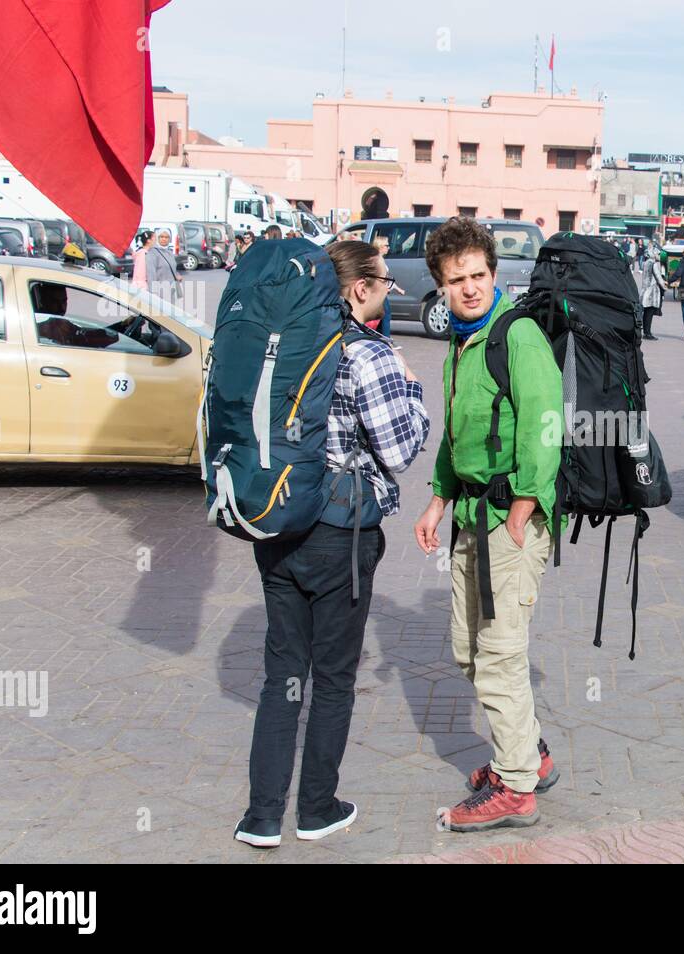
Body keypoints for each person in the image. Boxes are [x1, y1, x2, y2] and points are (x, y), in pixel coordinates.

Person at [235, 240, 430, 849]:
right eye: (380, 282)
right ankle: (316, 808)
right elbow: (399, 451)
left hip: (276, 522)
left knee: (282, 675)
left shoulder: (287, 342)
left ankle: (262, 816)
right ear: (358, 289)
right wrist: (415, 394)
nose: (386, 292)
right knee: (336, 678)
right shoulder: (368, 355)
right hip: (339, 535)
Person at [412, 216, 563, 833]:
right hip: (470, 518)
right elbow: (457, 431)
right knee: (469, 650)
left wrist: (524, 508)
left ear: (493, 275)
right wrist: (437, 499)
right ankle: (527, 752)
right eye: (456, 280)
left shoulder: (517, 337)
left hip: (509, 520)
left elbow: (546, 426)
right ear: (441, 287)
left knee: (500, 655)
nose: (469, 288)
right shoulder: (460, 342)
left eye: (478, 275)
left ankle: (516, 787)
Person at [640, 249, 668, 340]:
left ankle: (645, 332)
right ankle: (648, 333)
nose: (659, 255)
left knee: (646, 313)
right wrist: (664, 286)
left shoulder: (645, 263)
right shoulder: (654, 264)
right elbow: (658, 277)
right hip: (652, 292)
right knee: (650, 313)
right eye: (658, 254)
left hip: (645, 290)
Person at [146, 229, 179, 301]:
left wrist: (177, 274)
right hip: (160, 292)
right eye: (161, 237)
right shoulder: (152, 253)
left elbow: (173, 268)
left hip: (172, 290)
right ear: (157, 238)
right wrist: (153, 293)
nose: (164, 239)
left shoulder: (170, 253)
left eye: (167, 237)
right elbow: (151, 274)